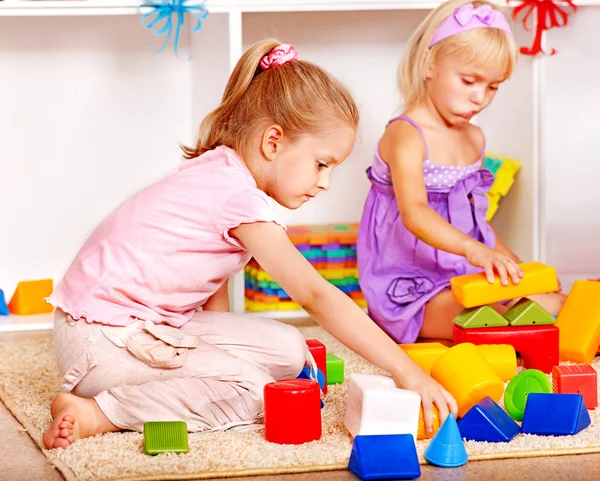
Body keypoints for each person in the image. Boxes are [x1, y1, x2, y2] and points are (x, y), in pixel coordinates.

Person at [43, 39, 457, 450]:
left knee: (289, 350)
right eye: (321, 164)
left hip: (129, 325)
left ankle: (191, 380)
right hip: (101, 339)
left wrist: (217, 350)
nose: (325, 182)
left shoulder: (223, 170)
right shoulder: (241, 200)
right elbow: (315, 295)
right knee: (257, 392)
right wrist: (406, 370)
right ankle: (98, 412)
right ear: (273, 142)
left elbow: (211, 279)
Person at [357, 0, 566, 344]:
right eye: (469, 80)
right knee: (490, 323)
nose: (480, 98)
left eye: (493, 86)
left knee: (551, 304)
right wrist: (474, 251)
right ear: (429, 64)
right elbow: (416, 214)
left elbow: (476, 222)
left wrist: (517, 266)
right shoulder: (405, 136)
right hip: (414, 284)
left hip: (465, 272)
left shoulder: (473, 139)